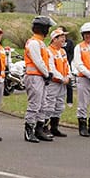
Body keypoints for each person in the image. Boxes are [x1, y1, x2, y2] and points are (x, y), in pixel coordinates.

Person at [23, 15, 56, 143]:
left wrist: (49, 73)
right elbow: (38, 61)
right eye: (47, 28)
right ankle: (29, 130)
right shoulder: (33, 43)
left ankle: (39, 129)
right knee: (34, 104)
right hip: (34, 77)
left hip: (41, 77)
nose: (48, 30)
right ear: (43, 29)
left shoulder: (41, 43)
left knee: (43, 104)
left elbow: (47, 61)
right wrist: (47, 73)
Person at [43, 27, 70, 138]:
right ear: (54, 39)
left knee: (59, 106)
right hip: (53, 83)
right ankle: (44, 127)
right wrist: (61, 78)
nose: (64, 39)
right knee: (49, 105)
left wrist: (68, 76)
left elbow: (67, 65)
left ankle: (54, 128)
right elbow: (51, 68)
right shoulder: (49, 51)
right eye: (61, 37)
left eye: (64, 37)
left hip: (62, 83)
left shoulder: (62, 51)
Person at [61, 25, 76, 106]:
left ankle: (69, 101)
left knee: (68, 84)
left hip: (67, 64)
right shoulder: (55, 41)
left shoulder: (69, 42)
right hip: (58, 64)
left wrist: (68, 61)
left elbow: (71, 53)